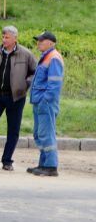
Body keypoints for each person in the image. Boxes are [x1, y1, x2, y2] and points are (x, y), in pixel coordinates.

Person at [0, 26, 34, 171]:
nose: (4, 40)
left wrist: (25, 84)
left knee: (13, 130)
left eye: (7, 37)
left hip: (16, 97)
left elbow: (35, 72)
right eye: (3, 37)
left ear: (15, 38)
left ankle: (7, 161)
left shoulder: (26, 54)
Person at [28, 31, 64, 177]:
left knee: (46, 134)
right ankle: (43, 164)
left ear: (51, 43)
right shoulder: (46, 57)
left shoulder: (53, 57)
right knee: (40, 133)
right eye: (38, 40)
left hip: (45, 102)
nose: (39, 43)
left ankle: (50, 166)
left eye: (42, 41)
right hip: (40, 101)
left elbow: (54, 84)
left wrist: (45, 99)